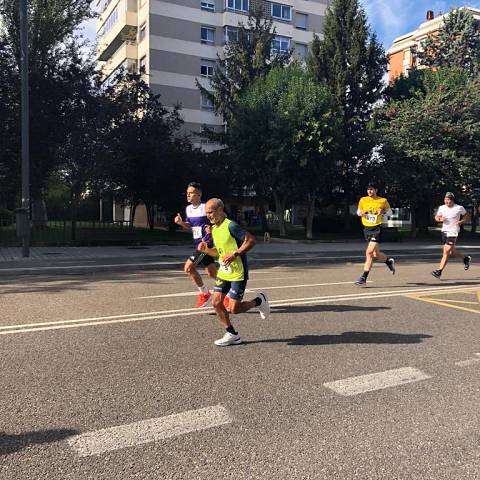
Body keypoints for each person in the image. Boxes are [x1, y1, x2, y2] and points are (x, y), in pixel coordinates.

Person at [198, 198, 270, 346]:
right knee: (216, 303)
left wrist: (235, 254)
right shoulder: (215, 229)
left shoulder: (231, 226)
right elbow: (218, 253)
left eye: (210, 212)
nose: (208, 216)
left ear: (220, 210)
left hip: (238, 272)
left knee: (234, 309)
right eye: (206, 213)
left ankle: (259, 301)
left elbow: (251, 240)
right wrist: (206, 250)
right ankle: (232, 333)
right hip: (224, 272)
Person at [174, 182, 217, 307]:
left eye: (191, 193)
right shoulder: (188, 209)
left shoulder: (206, 207)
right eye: (187, 192)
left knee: (189, 268)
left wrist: (213, 228)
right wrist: (181, 223)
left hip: (205, 245)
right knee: (212, 273)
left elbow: (218, 220)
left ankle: (205, 294)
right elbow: (191, 226)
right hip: (197, 244)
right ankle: (229, 293)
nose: (188, 195)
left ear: (198, 194)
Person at [354, 182, 396, 286]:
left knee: (369, 253)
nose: (370, 191)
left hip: (377, 228)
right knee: (376, 254)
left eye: (372, 189)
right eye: (368, 189)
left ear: (376, 190)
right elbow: (358, 212)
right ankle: (388, 262)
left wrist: (383, 212)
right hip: (367, 228)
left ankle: (363, 278)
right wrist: (361, 213)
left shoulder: (383, 200)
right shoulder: (363, 200)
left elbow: (390, 212)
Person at [431, 192, 471, 279]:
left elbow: (467, 216)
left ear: (452, 200)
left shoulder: (459, 208)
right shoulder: (442, 207)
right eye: (445, 199)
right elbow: (436, 217)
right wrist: (440, 219)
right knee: (452, 252)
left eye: (448, 200)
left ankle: (439, 271)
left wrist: (461, 221)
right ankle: (465, 259)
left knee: (446, 251)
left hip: (453, 231)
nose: (447, 201)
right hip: (444, 231)